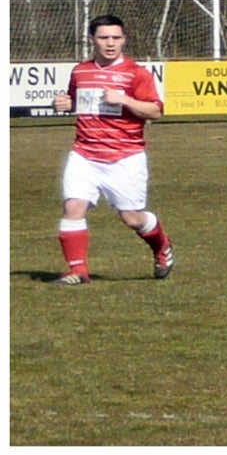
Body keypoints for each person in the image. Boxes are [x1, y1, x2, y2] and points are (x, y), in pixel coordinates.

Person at [50, 14, 174, 286]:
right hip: (84, 154)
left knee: (132, 218)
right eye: (104, 37)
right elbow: (77, 102)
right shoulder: (80, 71)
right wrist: (65, 104)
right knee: (73, 207)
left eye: (116, 38)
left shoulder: (136, 73)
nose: (110, 43)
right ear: (92, 40)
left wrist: (125, 99)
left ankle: (161, 245)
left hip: (125, 157)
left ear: (124, 40)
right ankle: (78, 271)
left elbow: (155, 111)